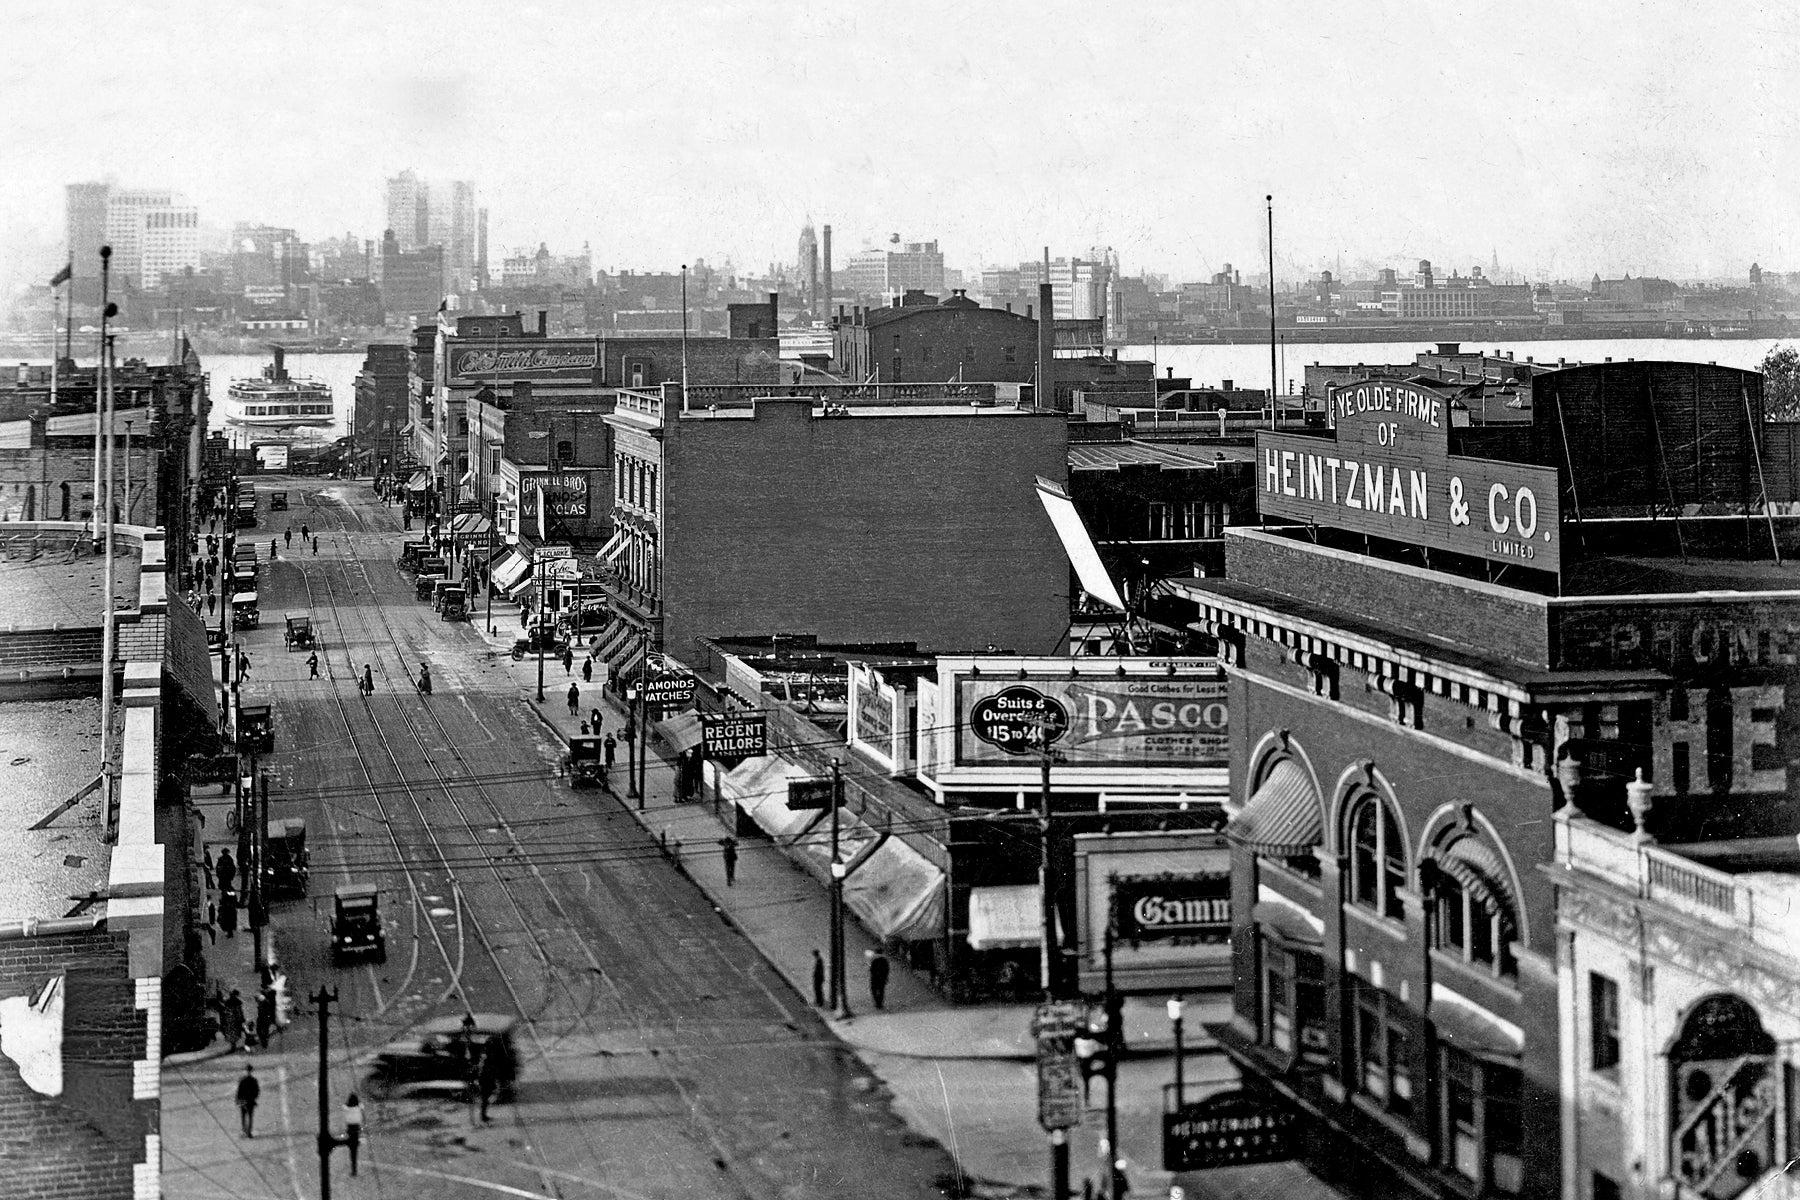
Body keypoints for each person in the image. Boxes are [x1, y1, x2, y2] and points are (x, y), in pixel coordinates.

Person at [477, 1043, 503, 1122]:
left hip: (485, 1081)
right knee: (485, 1100)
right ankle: (483, 1117)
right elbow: (486, 1072)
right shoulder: (486, 1060)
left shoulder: (484, 1059)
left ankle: (483, 1116)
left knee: (485, 1100)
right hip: (486, 1082)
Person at [236, 1063, 260, 1137]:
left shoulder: (242, 1080)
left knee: (243, 1116)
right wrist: (254, 1098)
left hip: (243, 1101)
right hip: (250, 1101)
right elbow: (257, 1091)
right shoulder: (254, 1080)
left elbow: (239, 1091)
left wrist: (238, 1100)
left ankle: (244, 1130)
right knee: (250, 1116)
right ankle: (249, 1132)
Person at [342, 1093, 363, 1175]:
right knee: (354, 1149)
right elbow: (361, 1105)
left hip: (350, 1129)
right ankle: (354, 1169)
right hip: (357, 1129)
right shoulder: (359, 1108)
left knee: (352, 1150)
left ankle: (353, 1169)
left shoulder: (346, 1108)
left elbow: (344, 1106)